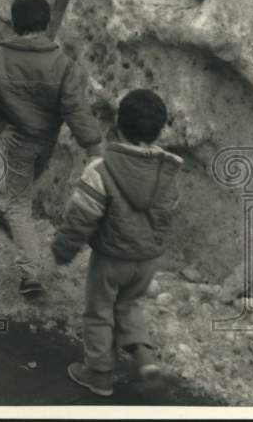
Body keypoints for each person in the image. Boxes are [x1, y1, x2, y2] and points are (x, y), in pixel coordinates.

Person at [0, 0, 103, 299]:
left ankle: (2, 209)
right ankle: (30, 276)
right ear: (46, 22)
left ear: (15, 23)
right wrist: (94, 146)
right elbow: (76, 110)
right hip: (46, 142)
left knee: (18, 198)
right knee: (21, 204)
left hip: (18, 141)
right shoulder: (63, 64)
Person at [51, 89, 182, 397]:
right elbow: (167, 214)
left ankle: (98, 374)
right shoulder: (168, 172)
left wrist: (62, 250)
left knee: (99, 311)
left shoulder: (102, 169)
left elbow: (81, 218)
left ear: (118, 125)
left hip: (111, 258)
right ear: (160, 129)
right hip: (146, 259)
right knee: (129, 305)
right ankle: (146, 361)